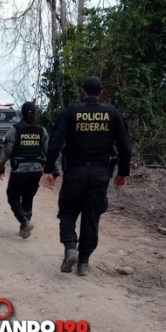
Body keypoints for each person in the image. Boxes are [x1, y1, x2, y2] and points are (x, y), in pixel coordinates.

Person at [42, 76, 132, 276]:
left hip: (75, 171)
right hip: (100, 173)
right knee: (91, 216)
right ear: (101, 92)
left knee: (67, 211)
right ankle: (83, 262)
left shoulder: (71, 112)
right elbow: (125, 146)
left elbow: (55, 142)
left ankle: (70, 248)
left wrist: (49, 169)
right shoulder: (112, 113)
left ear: (82, 91)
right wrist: (123, 173)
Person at [0, 101, 56, 239]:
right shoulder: (42, 130)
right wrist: (54, 170)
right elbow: (49, 151)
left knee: (13, 196)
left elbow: (6, 150)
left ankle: (24, 221)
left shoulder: (15, 129)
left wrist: (0, 168)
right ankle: (24, 227)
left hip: (19, 170)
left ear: (21, 113)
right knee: (28, 198)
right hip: (36, 170)